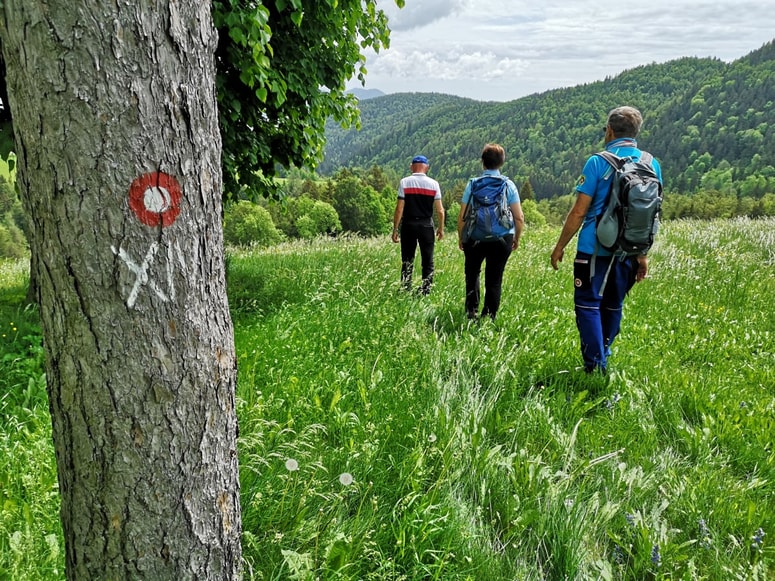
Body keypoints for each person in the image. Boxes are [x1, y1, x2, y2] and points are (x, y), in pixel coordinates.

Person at [550, 106, 663, 373]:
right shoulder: (651, 163)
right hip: (628, 250)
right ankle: (604, 354)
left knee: (588, 305)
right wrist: (642, 253)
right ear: (636, 132)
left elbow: (579, 211)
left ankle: (595, 366)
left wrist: (560, 246)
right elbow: (651, 214)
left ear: (609, 131)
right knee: (614, 305)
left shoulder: (598, 162)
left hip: (594, 249)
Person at [457, 143, 524, 320]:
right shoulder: (508, 185)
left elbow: (462, 216)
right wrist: (516, 237)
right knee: (494, 279)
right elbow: (519, 218)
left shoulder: (473, 184)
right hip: (502, 238)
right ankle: (489, 317)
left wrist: (461, 237)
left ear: (483, 162)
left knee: (472, 274)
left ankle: (471, 312)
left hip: (475, 237)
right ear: (502, 162)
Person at [392, 155, 445, 295]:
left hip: (409, 224)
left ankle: (405, 288)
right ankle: (426, 290)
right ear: (426, 167)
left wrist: (395, 229)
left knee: (407, 259)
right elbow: (440, 210)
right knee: (428, 260)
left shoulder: (405, 182)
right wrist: (441, 228)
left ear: (411, 166)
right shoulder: (434, 184)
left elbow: (399, 208)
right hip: (426, 224)